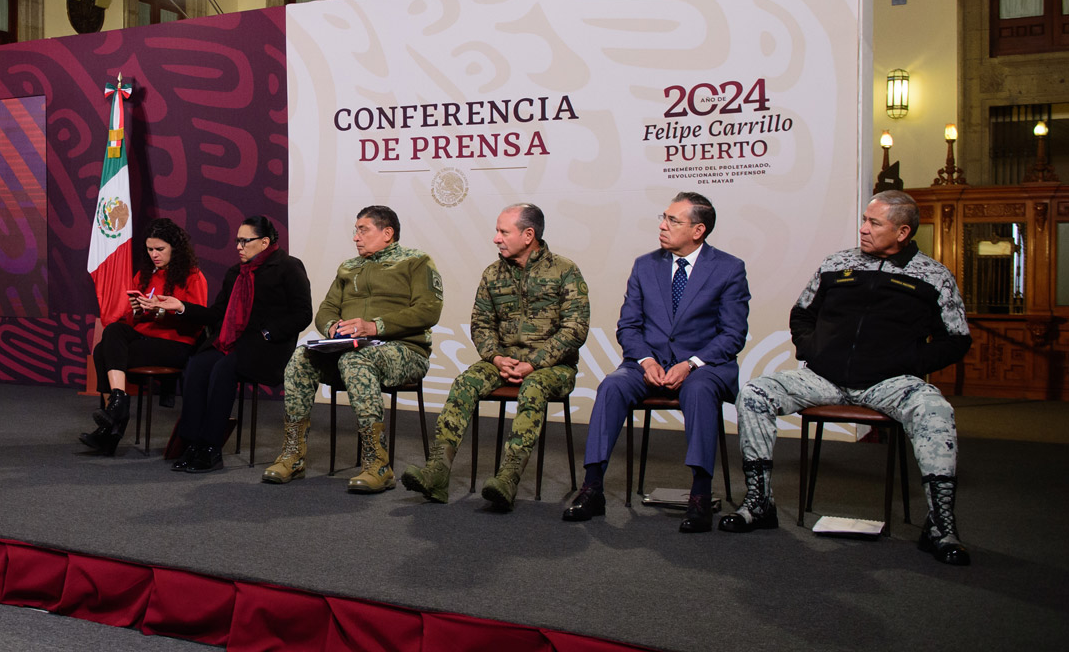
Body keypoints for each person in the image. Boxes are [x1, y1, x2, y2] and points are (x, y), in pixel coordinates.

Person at [719, 189, 973, 565]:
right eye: (864, 220)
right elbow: (801, 313)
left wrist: (910, 361)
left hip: (890, 383)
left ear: (902, 232)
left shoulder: (933, 276)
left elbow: (957, 339)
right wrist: (814, 350)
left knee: (936, 409)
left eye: (874, 223)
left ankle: (940, 524)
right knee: (755, 393)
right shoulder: (836, 264)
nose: (863, 228)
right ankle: (759, 503)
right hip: (823, 378)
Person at [563, 192, 750, 532]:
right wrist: (647, 360)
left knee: (699, 391)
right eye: (663, 218)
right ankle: (592, 488)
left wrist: (691, 363)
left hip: (704, 367)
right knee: (612, 386)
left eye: (673, 220)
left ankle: (700, 494)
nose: (663, 226)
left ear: (698, 230)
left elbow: (732, 335)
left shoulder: (728, 268)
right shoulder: (645, 265)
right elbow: (629, 326)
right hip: (648, 364)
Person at [400, 203, 589, 511]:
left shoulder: (564, 270)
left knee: (534, 387)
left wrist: (534, 363)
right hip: (503, 361)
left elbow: (575, 329)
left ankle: (508, 479)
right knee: (465, 382)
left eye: (503, 232)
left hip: (553, 368)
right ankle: (436, 472)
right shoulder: (492, 274)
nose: (496, 238)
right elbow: (481, 324)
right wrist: (497, 357)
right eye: (497, 231)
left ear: (528, 235)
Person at [263, 205, 443, 493]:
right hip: (351, 351)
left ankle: (378, 464)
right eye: (355, 231)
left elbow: (428, 310)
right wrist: (332, 327)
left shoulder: (416, 262)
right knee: (301, 358)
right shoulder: (348, 267)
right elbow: (326, 309)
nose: (356, 237)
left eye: (363, 230)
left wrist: (374, 327)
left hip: (404, 351)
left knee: (356, 361)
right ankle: (292, 455)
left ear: (387, 233)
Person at [149, 216, 312, 472]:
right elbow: (217, 314)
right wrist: (181, 307)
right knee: (197, 365)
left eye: (245, 241)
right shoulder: (236, 272)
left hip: (268, 347)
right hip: (233, 342)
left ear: (264, 242)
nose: (238, 246)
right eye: (237, 241)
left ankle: (211, 448)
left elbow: (303, 314)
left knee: (223, 369)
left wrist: (268, 333)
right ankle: (191, 441)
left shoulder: (288, 267)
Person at [80, 218, 208, 456]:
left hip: (175, 344)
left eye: (160, 249)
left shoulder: (193, 276)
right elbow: (131, 321)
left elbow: (198, 319)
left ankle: (112, 426)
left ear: (175, 248)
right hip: (144, 337)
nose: (154, 255)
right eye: (150, 249)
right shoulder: (145, 274)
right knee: (112, 332)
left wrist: (164, 310)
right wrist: (137, 312)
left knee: (103, 352)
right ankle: (118, 402)